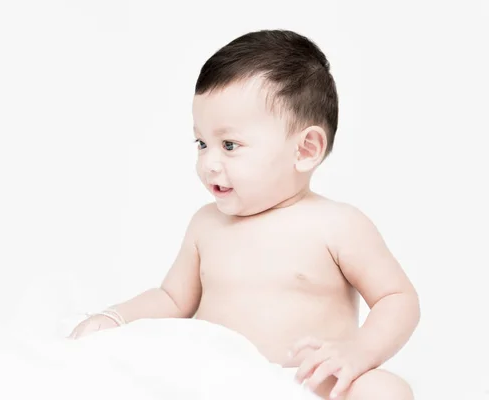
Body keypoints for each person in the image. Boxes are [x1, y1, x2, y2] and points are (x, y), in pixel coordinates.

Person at [68, 29, 420, 400]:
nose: (208, 163)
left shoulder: (338, 225)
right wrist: (116, 318)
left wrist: (360, 351)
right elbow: (172, 298)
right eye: (201, 143)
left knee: (385, 389)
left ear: (305, 150)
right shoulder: (207, 224)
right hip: (214, 381)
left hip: (305, 384)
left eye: (229, 145)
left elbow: (397, 298)